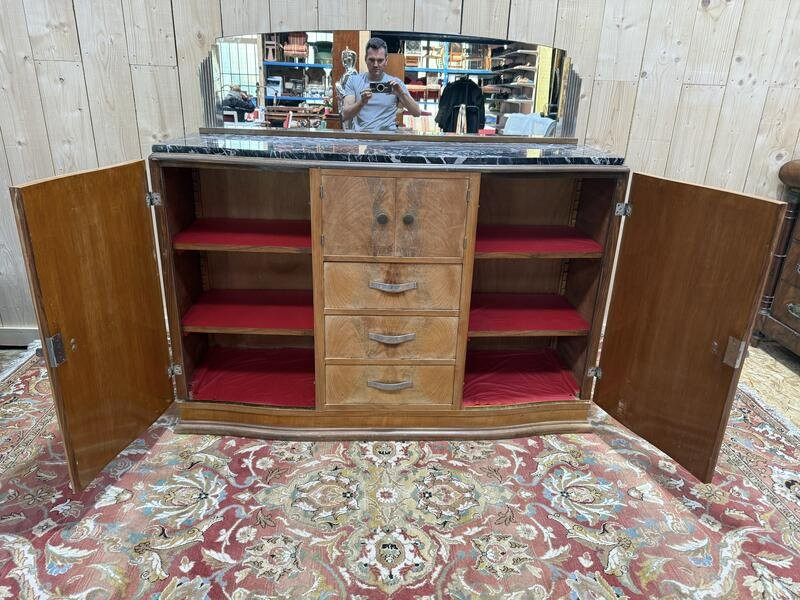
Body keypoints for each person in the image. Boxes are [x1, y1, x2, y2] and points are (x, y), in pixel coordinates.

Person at [341, 37, 421, 132]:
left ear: (386, 61)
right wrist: (361, 102)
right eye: (371, 60)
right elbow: (345, 115)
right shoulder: (353, 80)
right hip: (362, 139)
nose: (375, 65)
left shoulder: (396, 84)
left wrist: (401, 94)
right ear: (365, 59)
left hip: (387, 141)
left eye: (380, 60)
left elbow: (417, 113)